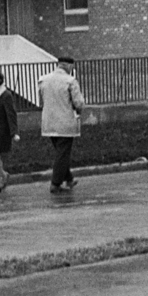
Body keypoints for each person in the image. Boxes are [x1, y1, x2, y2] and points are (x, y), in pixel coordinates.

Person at [37, 56, 86, 195]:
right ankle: (55, 183)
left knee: (60, 152)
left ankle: (69, 179)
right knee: (62, 154)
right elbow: (79, 103)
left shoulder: (43, 80)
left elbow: (41, 100)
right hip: (65, 123)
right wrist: (79, 111)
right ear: (69, 67)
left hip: (48, 122)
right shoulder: (70, 81)